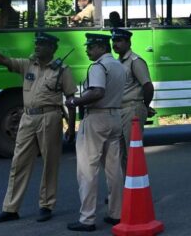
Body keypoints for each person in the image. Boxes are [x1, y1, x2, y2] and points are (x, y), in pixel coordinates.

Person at [0, 32, 76, 224]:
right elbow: (2, 59)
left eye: (42, 44)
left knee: (50, 163)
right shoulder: (27, 65)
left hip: (50, 117)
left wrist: (71, 128)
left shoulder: (62, 70)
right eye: (36, 43)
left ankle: (46, 205)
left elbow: (71, 100)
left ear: (52, 48)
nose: (37, 47)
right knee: (19, 163)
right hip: (27, 117)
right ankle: (10, 208)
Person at [65, 33, 125, 232]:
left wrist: (74, 101)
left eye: (90, 47)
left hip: (96, 118)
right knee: (114, 169)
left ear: (101, 47)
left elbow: (97, 92)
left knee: (87, 170)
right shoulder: (118, 65)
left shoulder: (99, 67)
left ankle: (87, 218)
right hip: (116, 117)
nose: (87, 51)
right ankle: (117, 213)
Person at [111, 28, 155, 172]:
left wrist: (144, 106)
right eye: (114, 41)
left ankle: (137, 190)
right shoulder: (118, 62)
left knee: (132, 152)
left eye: (119, 41)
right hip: (120, 110)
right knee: (121, 154)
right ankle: (126, 190)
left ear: (128, 42)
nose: (115, 44)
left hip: (132, 109)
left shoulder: (135, 61)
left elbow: (148, 86)